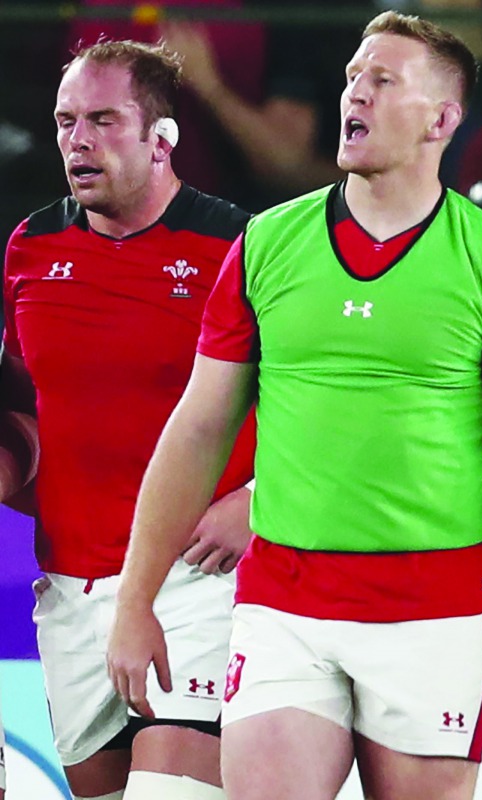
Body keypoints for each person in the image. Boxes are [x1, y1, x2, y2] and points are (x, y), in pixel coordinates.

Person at [105, 12, 482, 800]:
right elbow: (195, 431)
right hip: (285, 605)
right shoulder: (265, 243)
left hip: (433, 614)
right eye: (352, 77)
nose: (354, 92)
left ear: (443, 119)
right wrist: (136, 600)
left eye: (383, 79)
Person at [1, 40, 257, 800]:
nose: (78, 141)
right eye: (65, 121)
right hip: (71, 591)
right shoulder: (30, 248)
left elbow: (326, 400)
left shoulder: (240, 247)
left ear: (161, 137)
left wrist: (264, 498)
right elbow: (22, 410)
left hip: (199, 582)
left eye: (104, 120)